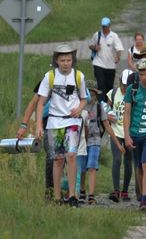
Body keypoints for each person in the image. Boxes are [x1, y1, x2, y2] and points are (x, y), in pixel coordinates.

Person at [35, 44, 87, 207]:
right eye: (62, 60)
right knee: (57, 159)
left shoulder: (79, 76)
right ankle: (57, 196)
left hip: (72, 122)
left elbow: (84, 98)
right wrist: (38, 125)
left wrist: (78, 109)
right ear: (57, 60)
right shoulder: (50, 77)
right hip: (54, 122)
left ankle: (72, 195)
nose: (66, 63)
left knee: (71, 156)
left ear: (73, 60)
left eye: (69, 60)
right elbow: (41, 102)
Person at [124, 58, 146, 213]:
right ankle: (142, 196)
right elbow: (127, 113)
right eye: (141, 74)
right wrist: (126, 135)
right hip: (134, 133)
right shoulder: (132, 89)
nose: (144, 77)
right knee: (138, 167)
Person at [81, 80, 124, 205]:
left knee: (92, 167)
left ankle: (91, 195)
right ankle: (82, 190)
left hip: (95, 140)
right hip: (81, 141)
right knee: (82, 168)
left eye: (94, 93)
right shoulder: (79, 106)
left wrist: (117, 144)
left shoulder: (99, 107)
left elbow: (107, 126)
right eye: (89, 92)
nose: (91, 95)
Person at [105, 70, 135, 203]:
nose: (124, 88)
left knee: (128, 162)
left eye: (127, 85)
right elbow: (105, 107)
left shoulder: (134, 93)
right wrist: (107, 114)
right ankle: (116, 189)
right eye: (123, 85)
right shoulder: (113, 93)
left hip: (129, 132)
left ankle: (125, 190)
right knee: (117, 160)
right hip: (116, 131)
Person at [89, 17, 124, 95]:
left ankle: (108, 103)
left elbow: (119, 48)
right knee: (101, 85)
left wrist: (118, 57)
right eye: (103, 26)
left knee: (109, 87)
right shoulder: (97, 35)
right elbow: (90, 45)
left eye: (105, 26)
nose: (104, 28)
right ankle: (100, 104)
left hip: (110, 65)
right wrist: (95, 47)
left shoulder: (114, 36)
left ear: (109, 26)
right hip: (98, 63)